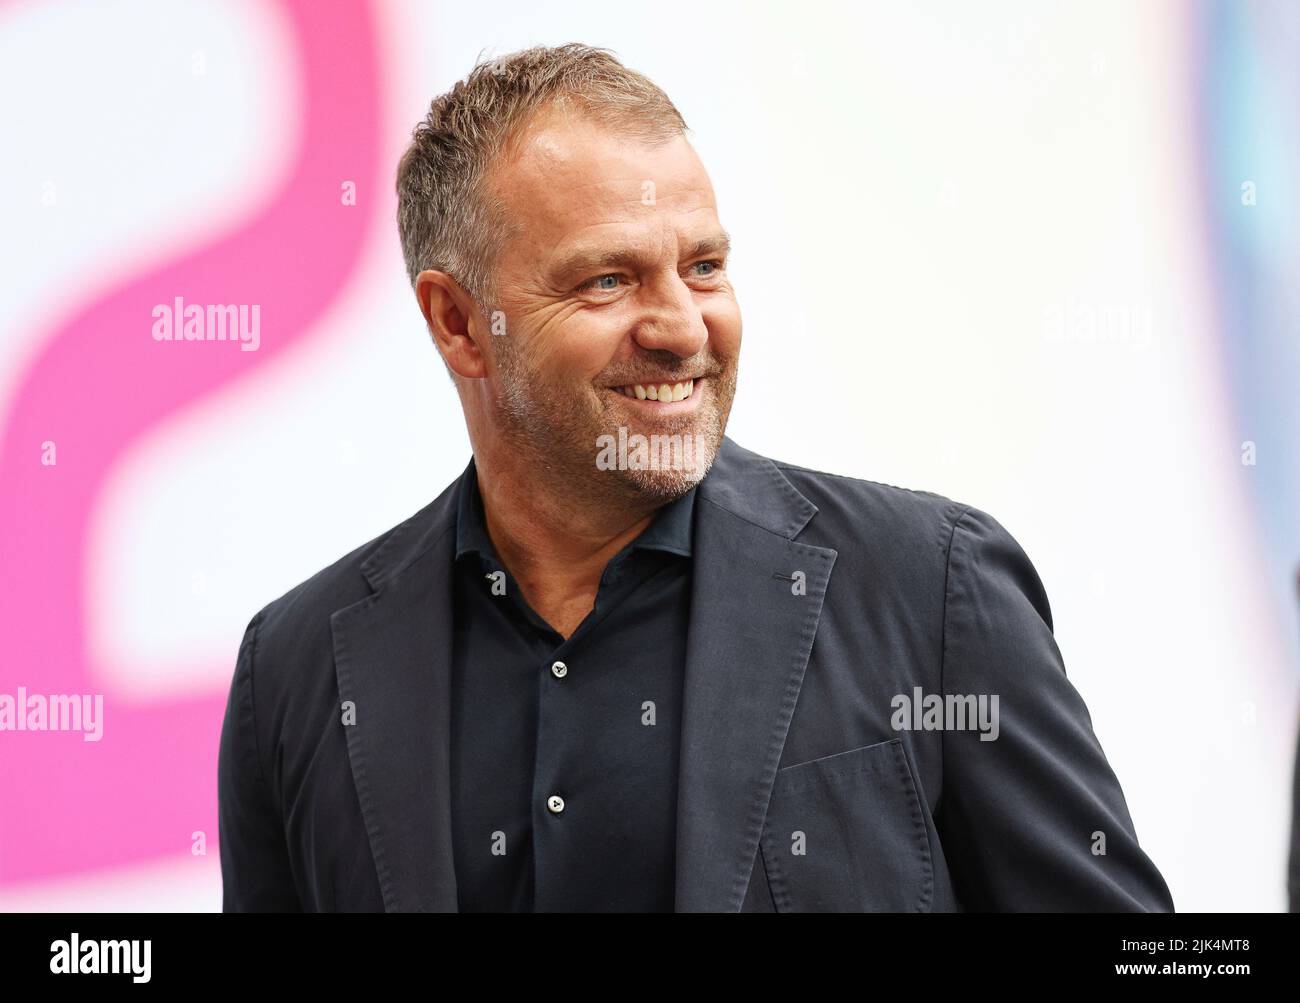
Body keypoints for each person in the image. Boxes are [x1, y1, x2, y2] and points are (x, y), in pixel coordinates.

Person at [218, 43, 1173, 912]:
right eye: (607, 281)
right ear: (460, 323)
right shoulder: (297, 671)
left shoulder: (932, 590)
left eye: (704, 266)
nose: (683, 328)